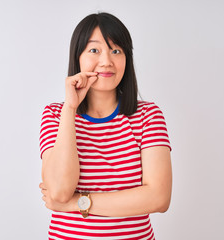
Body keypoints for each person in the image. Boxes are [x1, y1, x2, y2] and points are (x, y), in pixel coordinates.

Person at [39, 12, 172, 240]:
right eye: (94, 50)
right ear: (77, 56)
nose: (107, 61)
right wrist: (70, 108)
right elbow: (60, 191)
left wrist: (78, 203)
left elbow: (159, 198)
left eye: (116, 50)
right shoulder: (55, 115)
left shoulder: (148, 116)